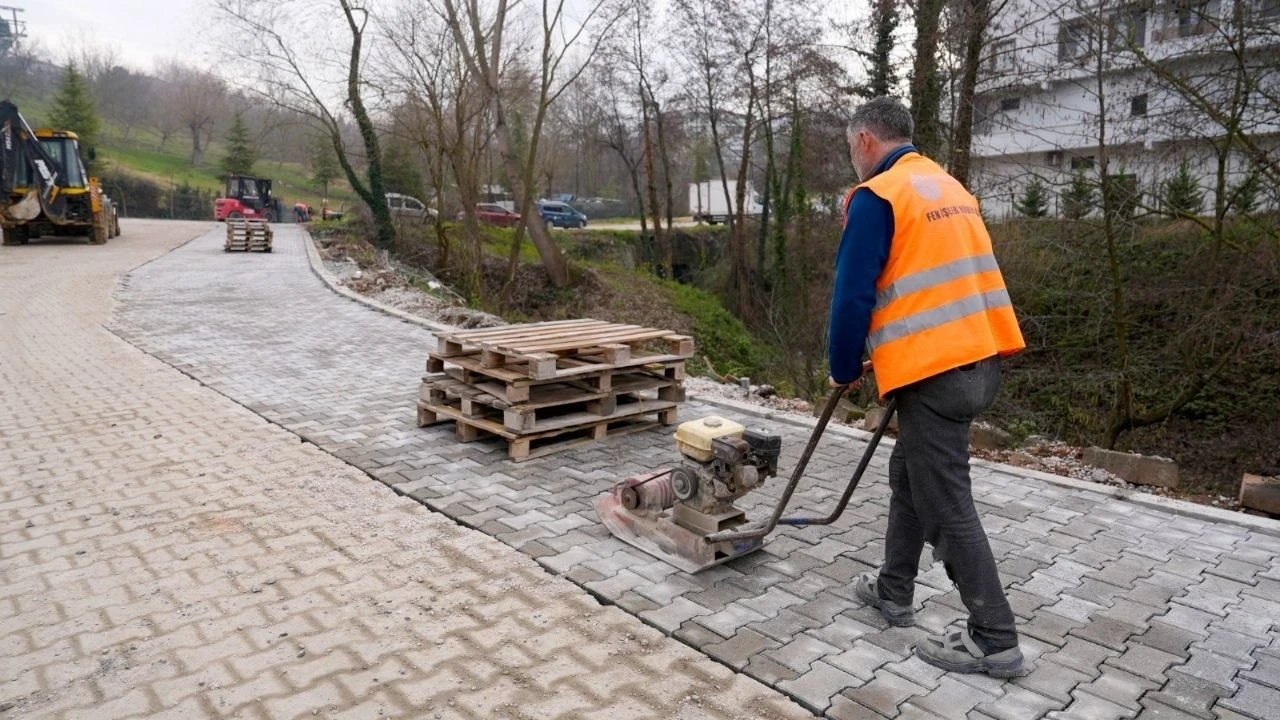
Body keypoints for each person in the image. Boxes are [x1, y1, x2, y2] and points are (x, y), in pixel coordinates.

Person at [827, 97, 1027, 677]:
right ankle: (893, 591)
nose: (852, 161)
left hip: (935, 375)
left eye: (849, 149)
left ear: (865, 141)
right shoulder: (949, 188)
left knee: (947, 502)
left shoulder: (878, 197)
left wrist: (843, 365)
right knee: (908, 473)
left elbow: (852, 297)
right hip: (979, 361)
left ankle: (995, 638)